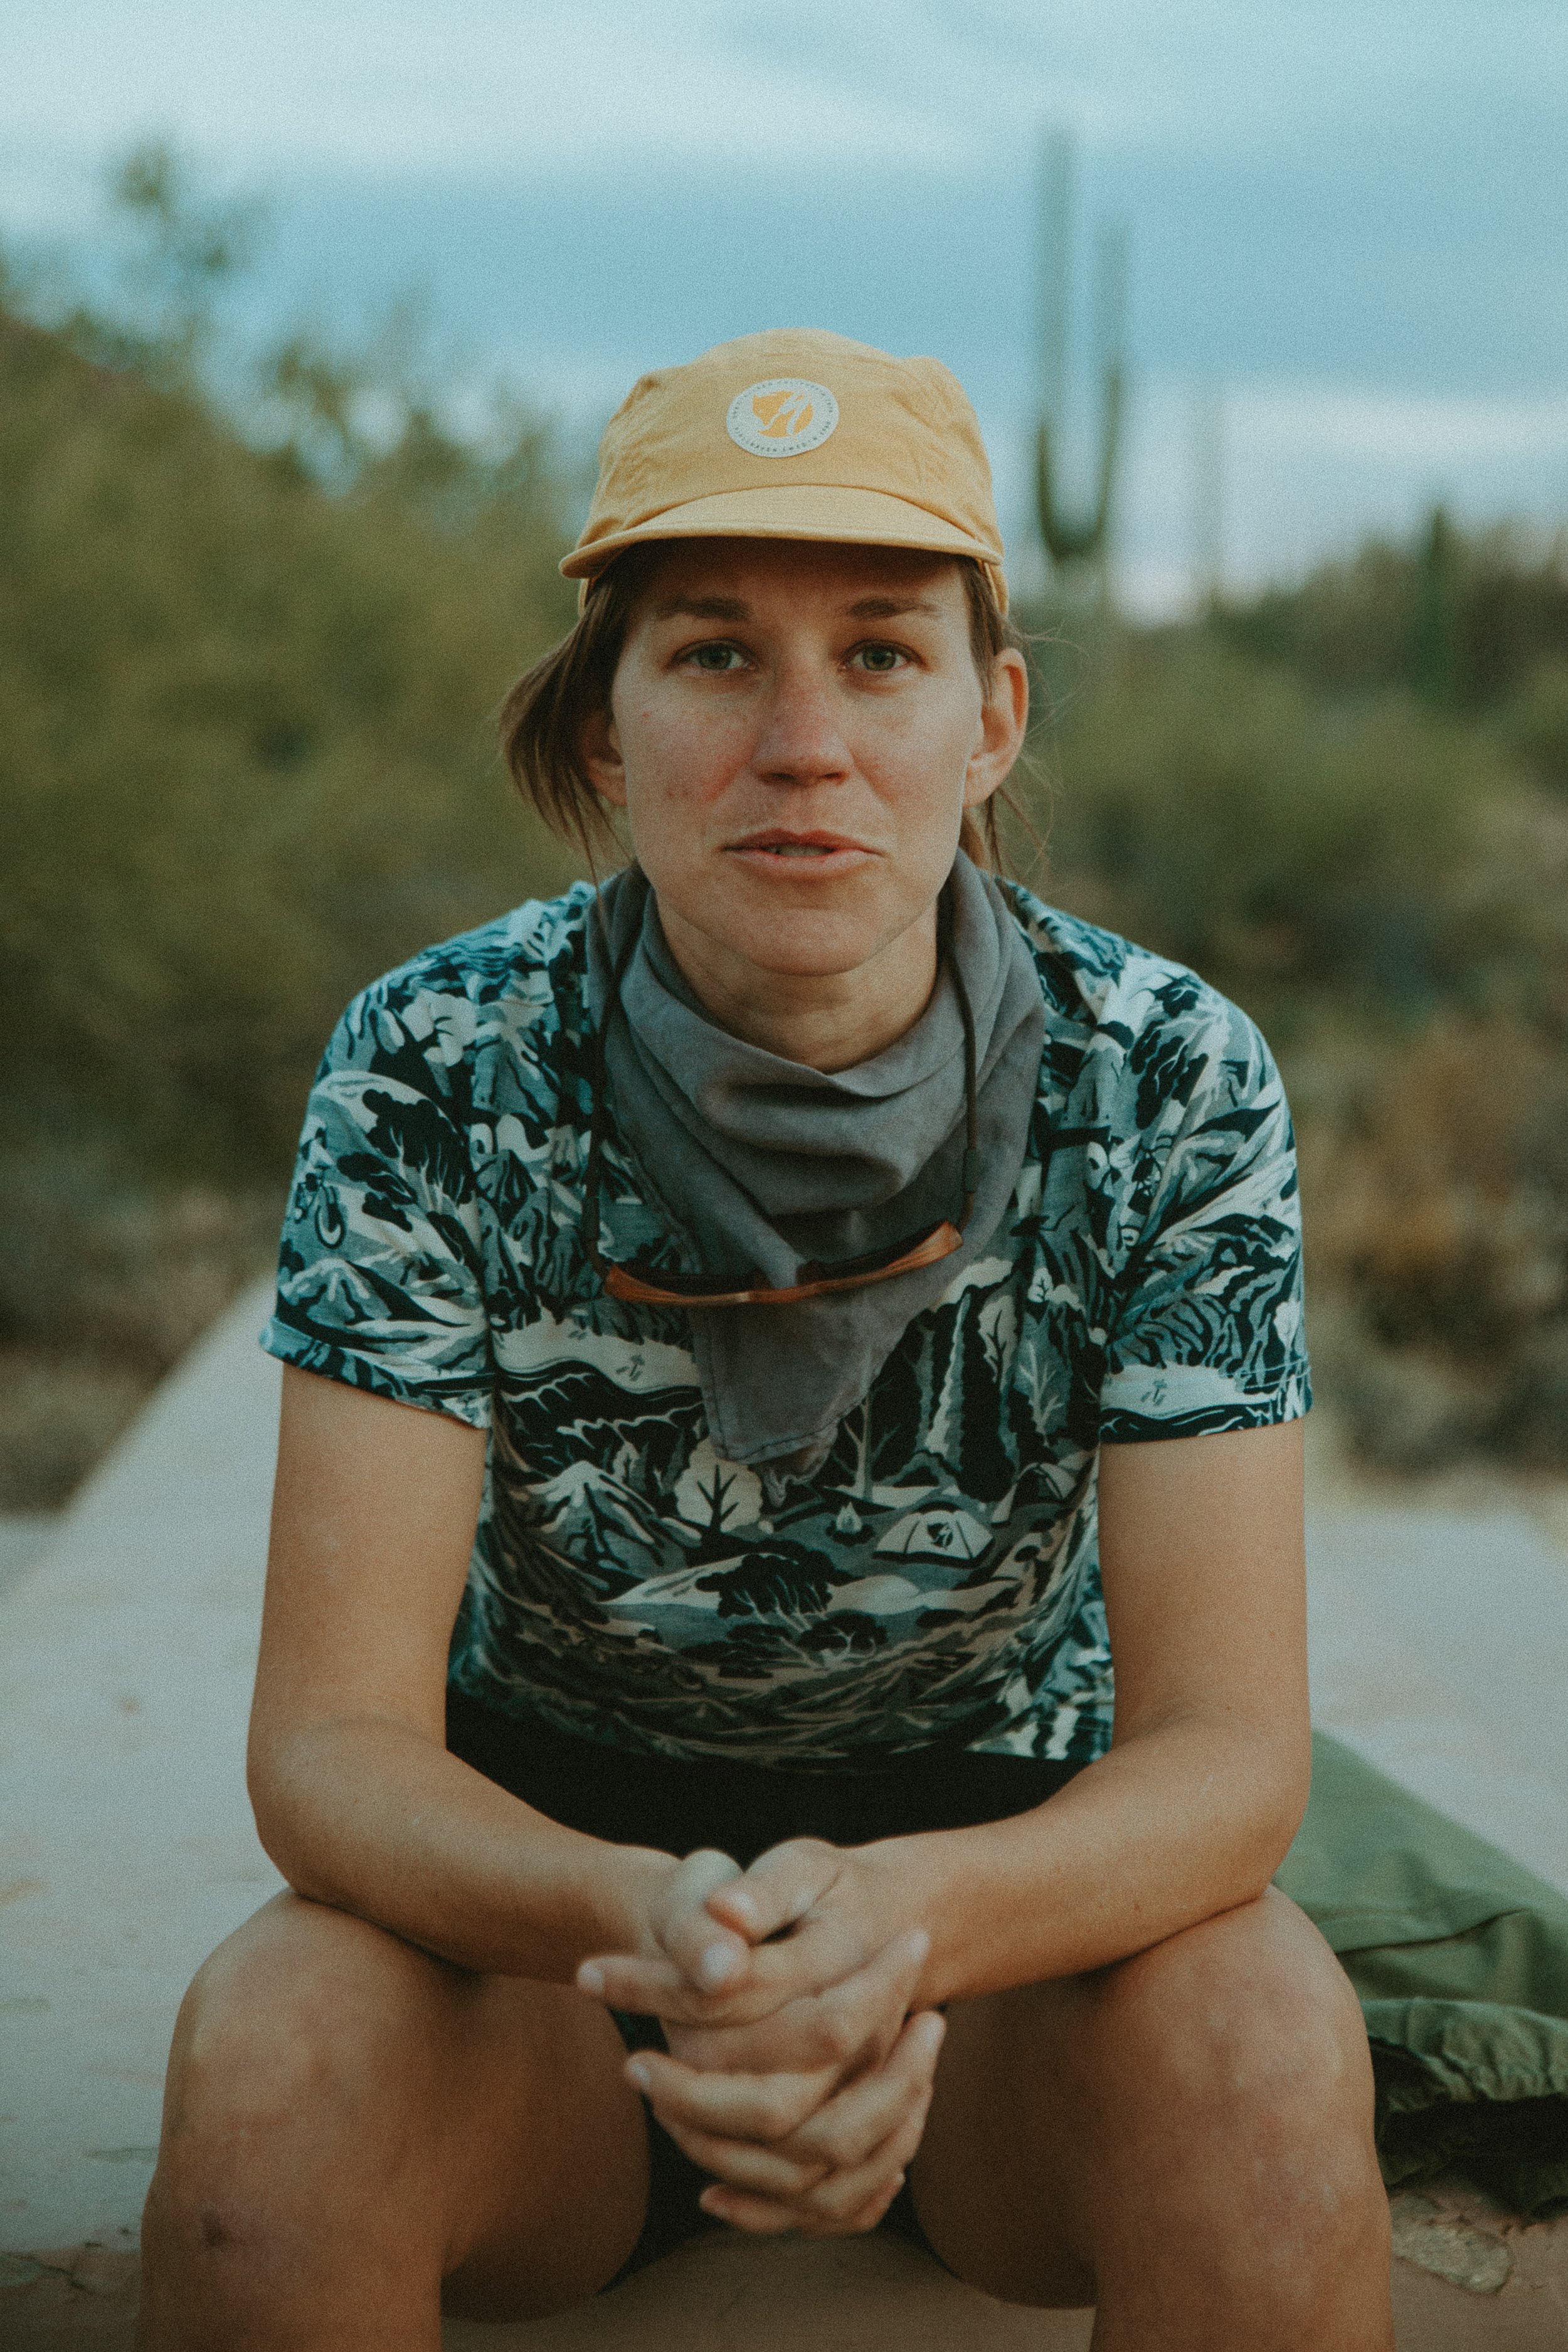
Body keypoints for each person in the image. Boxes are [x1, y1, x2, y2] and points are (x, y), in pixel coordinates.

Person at [137, 329, 1394, 2351]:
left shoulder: (1167, 1075)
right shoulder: (434, 1062)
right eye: (714, 653)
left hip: (1005, 1931)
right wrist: (658, 1927)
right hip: (552, 1926)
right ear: (608, 726)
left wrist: (906, 1922)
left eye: (880, 656)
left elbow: (1226, 1753)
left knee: (1262, 2037)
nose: (802, 741)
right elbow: (333, 1749)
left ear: (988, 720)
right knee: (276, 2051)